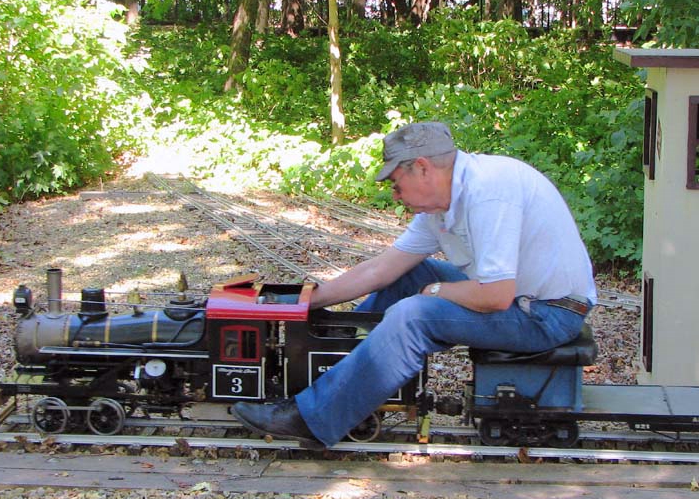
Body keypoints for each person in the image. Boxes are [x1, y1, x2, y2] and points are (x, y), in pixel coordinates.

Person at [231, 121, 597, 448]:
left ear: (422, 167)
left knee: (415, 313)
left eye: (395, 182)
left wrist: (438, 292)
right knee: (410, 276)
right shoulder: (440, 206)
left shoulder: (489, 193)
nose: (394, 194)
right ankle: (338, 382)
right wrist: (305, 301)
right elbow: (382, 269)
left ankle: (313, 418)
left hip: (546, 315)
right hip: (521, 301)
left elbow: (495, 296)